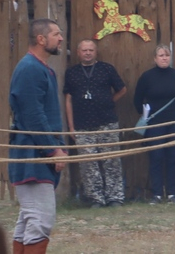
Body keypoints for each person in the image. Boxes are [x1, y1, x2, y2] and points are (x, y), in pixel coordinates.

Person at [9, 18, 67, 253]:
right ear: (41, 39)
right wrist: (53, 149)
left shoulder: (40, 68)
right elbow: (33, 115)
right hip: (32, 155)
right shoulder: (30, 68)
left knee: (29, 219)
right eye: (56, 34)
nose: (61, 38)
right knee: (40, 220)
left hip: (35, 154)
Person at [63, 39, 127, 208]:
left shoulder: (107, 69)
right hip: (82, 124)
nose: (88, 53)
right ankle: (95, 198)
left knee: (111, 160)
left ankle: (115, 198)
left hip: (107, 122)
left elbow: (122, 89)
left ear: (96, 52)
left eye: (91, 50)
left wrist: (109, 101)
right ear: (78, 52)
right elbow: (68, 99)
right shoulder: (72, 73)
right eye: (84, 50)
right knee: (88, 163)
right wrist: (71, 127)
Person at [133, 44, 175, 203]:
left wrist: (174, 114)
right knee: (156, 157)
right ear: (155, 58)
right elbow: (138, 100)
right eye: (161, 55)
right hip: (155, 123)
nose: (164, 58)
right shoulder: (147, 77)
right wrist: (146, 116)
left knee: (174, 156)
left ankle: (172, 193)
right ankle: (156, 193)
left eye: (167, 55)